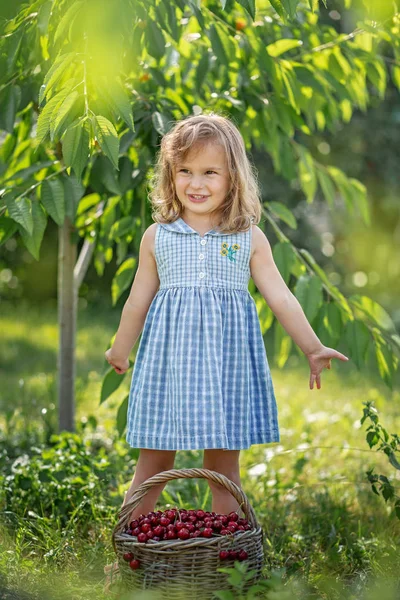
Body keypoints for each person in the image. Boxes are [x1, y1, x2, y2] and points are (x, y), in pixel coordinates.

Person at [103, 112, 349, 590]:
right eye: (185, 171)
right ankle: (128, 552)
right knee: (154, 460)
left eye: (209, 172)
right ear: (170, 175)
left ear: (232, 176)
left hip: (225, 369)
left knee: (223, 467)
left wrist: (312, 345)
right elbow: (138, 298)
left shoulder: (247, 237)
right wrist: (120, 347)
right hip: (169, 368)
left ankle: (229, 559)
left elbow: (280, 295)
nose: (196, 183)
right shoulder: (158, 236)